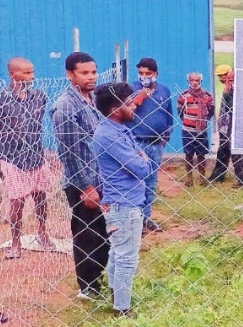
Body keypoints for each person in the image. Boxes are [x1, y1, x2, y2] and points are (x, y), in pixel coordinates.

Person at [51, 52, 108, 301]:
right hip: (82, 183)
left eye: (93, 72)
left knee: (103, 232)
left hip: (101, 177)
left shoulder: (94, 98)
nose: (91, 77)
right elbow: (70, 152)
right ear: (70, 75)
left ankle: (99, 278)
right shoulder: (66, 106)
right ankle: (87, 286)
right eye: (84, 73)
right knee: (87, 234)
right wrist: (86, 187)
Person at [92, 82, 151, 318]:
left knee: (119, 252)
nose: (134, 107)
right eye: (129, 104)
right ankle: (122, 309)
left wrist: (141, 158)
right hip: (123, 205)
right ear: (116, 109)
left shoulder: (119, 129)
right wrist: (143, 159)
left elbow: (139, 159)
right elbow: (141, 167)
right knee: (127, 256)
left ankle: (118, 296)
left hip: (126, 202)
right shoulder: (109, 136)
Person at [0, 57, 54, 259]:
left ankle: (42, 232)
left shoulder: (39, 96)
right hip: (11, 157)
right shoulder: (2, 99)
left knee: (41, 195)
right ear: (12, 74)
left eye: (32, 72)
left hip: (36, 154)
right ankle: (15, 242)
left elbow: (36, 125)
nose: (32, 77)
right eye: (26, 73)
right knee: (17, 201)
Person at [128, 57, 173, 233]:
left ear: (156, 74)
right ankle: (135, 220)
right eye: (141, 73)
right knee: (137, 181)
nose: (144, 76)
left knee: (151, 182)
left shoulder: (164, 90)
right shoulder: (130, 89)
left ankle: (146, 218)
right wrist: (141, 98)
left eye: (148, 73)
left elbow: (168, 115)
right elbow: (125, 111)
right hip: (137, 143)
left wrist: (167, 134)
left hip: (156, 145)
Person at [209, 65, 243, 188]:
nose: (221, 78)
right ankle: (218, 176)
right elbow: (223, 108)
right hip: (225, 126)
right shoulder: (227, 89)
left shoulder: (236, 90)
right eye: (220, 76)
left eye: (223, 75)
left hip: (235, 126)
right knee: (223, 151)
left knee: (237, 153)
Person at [177, 72, 215, 186]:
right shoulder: (184, 95)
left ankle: (202, 178)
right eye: (192, 80)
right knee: (188, 154)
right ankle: (189, 179)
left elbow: (212, 109)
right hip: (187, 130)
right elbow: (180, 111)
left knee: (201, 154)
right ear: (188, 81)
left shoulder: (207, 96)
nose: (194, 83)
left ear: (201, 82)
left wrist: (204, 120)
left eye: (197, 80)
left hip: (201, 131)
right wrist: (188, 120)